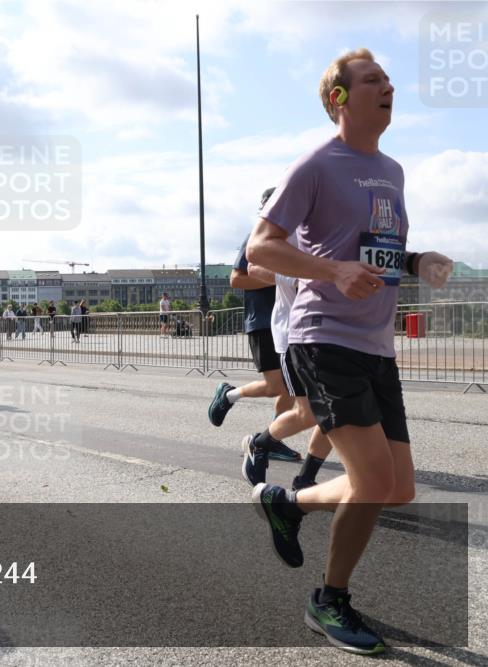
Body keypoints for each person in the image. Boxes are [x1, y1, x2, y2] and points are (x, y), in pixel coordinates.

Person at [245, 49, 454, 655]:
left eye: (388, 79)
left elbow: (379, 247)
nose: (388, 87)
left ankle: (286, 501)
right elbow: (261, 249)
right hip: (324, 336)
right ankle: (329, 600)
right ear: (339, 98)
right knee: (372, 479)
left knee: (397, 488)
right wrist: (332, 270)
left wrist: (418, 261)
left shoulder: (392, 169)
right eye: (372, 80)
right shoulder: (315, 163)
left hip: (375, 345)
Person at [242, 192, 333, 488]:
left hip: (334, 332)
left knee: (335, 411)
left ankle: (305, 479)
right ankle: (260, 443)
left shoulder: (328, 227)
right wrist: (294, 277)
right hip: (294, 333)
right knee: (308, 414)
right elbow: (251, 267)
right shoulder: (279, 230)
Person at [208, 216, 300, 462]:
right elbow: (236, 279)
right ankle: (228, 395)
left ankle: (273, 440)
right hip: (262, 321)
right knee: (276, 386)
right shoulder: (257, 237)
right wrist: (280, 278)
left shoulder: (297, 239)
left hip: (290, 323)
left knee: (292, 386)